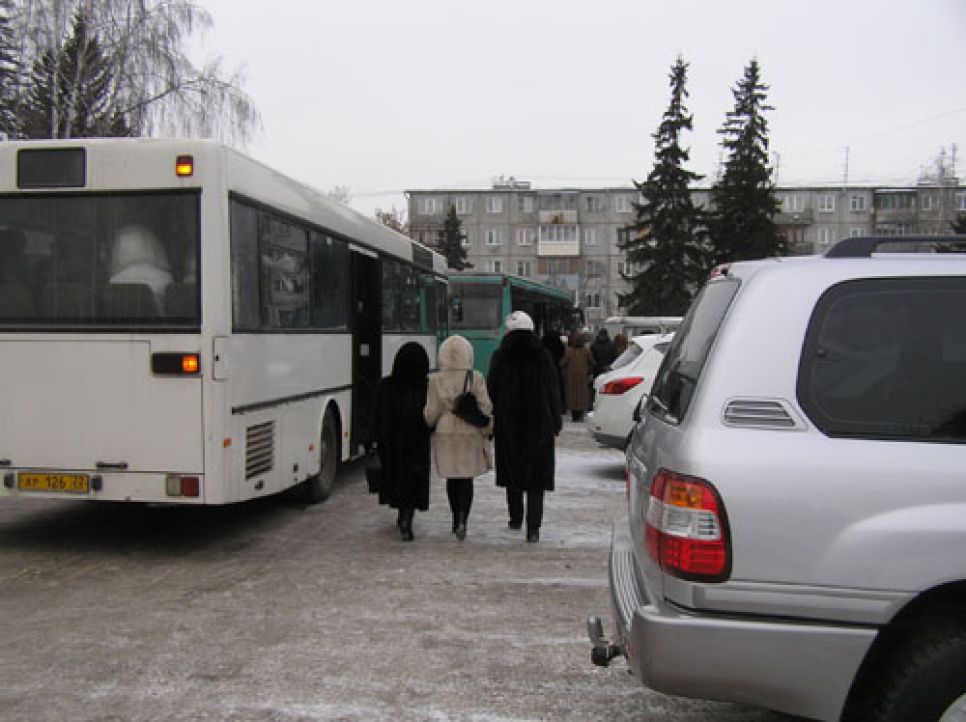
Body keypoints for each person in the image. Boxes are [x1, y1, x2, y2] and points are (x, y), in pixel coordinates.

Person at [487, 311, 563, 543]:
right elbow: (553, 389)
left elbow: (492, 391)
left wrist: (494, 420)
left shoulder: (500, 357)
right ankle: (533, 528)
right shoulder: (543, 356)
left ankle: (515, 518)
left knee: (513, 472)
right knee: (536, 479)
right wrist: (556, 420)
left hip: (509, 423)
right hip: (539, 423)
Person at [423, 335, 494, 541]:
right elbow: (486, 406)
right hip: (469, 431)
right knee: (466, 478)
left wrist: (431, 421)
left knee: (452, 478)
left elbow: (431, 413)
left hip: (446, 430)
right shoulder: (475, 377)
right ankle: (464, 518)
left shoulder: (436, 379)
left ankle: (455, 519)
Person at [369, 342, 432, 541]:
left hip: (391, 444)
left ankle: (401, 516)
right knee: (412, 482)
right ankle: (406, 519)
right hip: (416, 443)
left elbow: (376, 414)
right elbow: (431, 416)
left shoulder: (386, 385)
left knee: (397, 479)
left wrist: (371, 438)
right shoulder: (425, 386)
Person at [562, 330, 594, 422]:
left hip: (571, 377)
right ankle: (580, 415)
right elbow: (592, 362)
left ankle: (574, 415)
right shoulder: (586, 351)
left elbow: (563, 362)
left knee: (572, 394)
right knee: (582, 395)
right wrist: (588, 370)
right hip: (583, 376)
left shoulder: (569, 351)